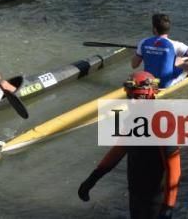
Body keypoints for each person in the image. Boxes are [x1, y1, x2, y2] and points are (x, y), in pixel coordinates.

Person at [77, 70, 182, 218]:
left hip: (155, 198)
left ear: (150, 95)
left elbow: (174, 169)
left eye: (138, 97)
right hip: (135, 193)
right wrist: (93, 178)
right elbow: (119, 150)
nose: (132, 101)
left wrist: (168, 206)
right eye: (130, 96)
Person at [132, 14, 188, 89]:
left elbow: (134, 65)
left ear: (155, 29)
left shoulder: (143, 42)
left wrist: (146, 51)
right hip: (165, 85)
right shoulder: (176, 45)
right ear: (168, 29)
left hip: (149, 81)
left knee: (178, 59)